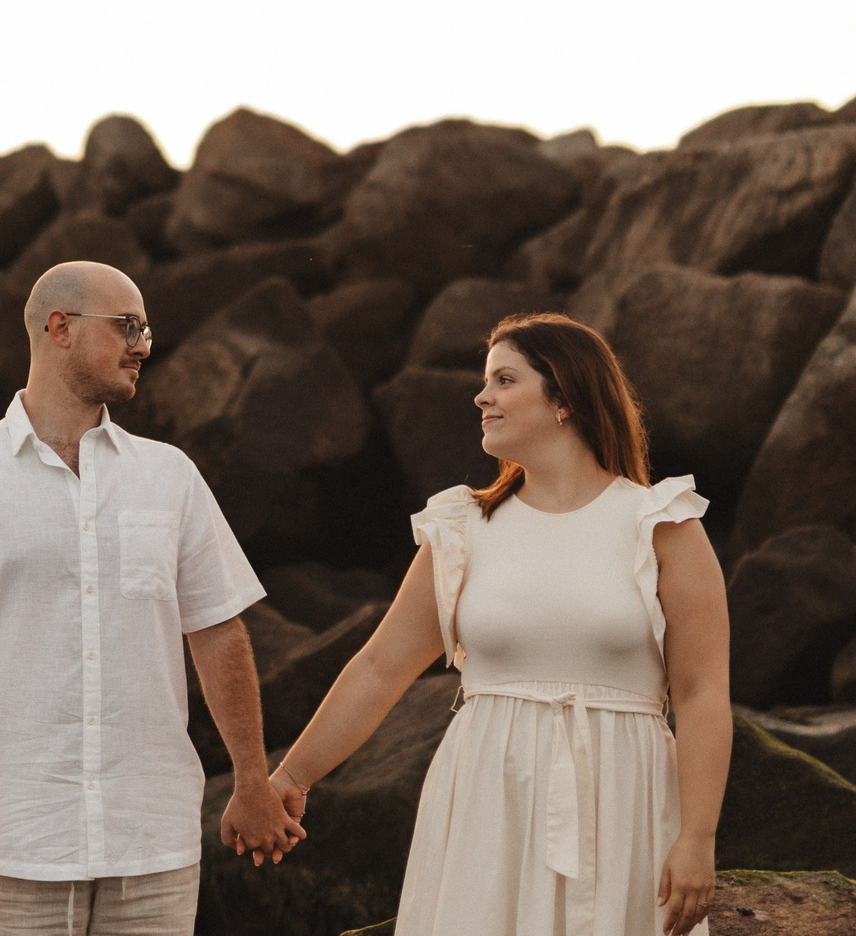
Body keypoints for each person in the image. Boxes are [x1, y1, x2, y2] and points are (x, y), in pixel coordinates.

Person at [0, 258, 304, 934]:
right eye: (128, 325)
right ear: (59, 327)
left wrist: (251, 778)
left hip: (151, 834)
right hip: (16, 836)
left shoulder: (170, 475)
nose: (144, 345)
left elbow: (218, 631)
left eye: (148, 330)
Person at [267, 312, 732, 936]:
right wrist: (291, 777)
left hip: (625, 797)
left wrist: (697, 840)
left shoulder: (661, 523)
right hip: (489, 791)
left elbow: (703, 693)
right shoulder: (462, 528)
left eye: (504, 380)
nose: (481, 396)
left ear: (564, 397)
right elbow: (381, 668)